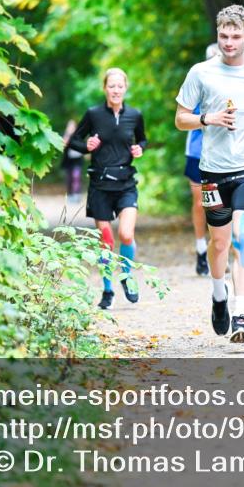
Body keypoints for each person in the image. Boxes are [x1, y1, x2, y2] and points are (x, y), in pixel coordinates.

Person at [174, 4, 244, 343]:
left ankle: (241, 315)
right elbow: (180, 119)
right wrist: (207, 118)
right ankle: (218, 292)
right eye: (224, 36)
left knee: (241, 236)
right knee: (219, 242)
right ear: (218, 34)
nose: (229, 42)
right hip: (213, 169)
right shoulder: (201, 73)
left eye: (236, 36)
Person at [67, 67, 147, 309]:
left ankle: (125, 276)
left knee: (126, 234)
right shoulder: (93, 114)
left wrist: (140, 148)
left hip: (125, 183)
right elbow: (74, 141)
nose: (115, 90)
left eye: (119, 86)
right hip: (100, 184)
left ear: (125, 88)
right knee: (106, 240)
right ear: (105, 88)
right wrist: (87, 145)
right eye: (111, 86)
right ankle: (108, 290)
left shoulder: (135, 114)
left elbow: (142, 138)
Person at [183, 43, 221, 276]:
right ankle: (200, 248)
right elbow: (184, 116)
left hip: (225, 154)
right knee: (201, 202)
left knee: (221, 203)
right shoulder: (197, 83)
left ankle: (219, 250)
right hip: (198, 151)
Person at [61, 119, 84, 203]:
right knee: (69, 179)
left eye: (72, 126)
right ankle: (70, 195)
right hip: (69, 161)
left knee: (76, 177)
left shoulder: (78, 135)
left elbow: (82, 146)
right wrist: (68, 134)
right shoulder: (66, 135)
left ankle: (77, 195)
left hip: (77, 161)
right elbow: (63, 144)